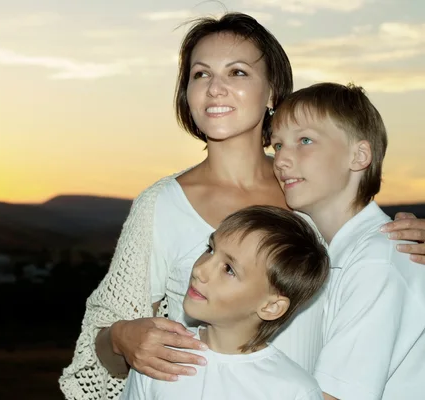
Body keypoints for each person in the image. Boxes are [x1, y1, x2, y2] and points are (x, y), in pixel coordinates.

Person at [59, 12, 425, 400]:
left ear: (271, 91)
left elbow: (377, 263)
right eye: (200, 74)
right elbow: (100, 348)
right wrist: (120, 337)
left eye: (236, 72)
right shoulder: (162, 204)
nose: (215, 88)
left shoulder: (307, 191)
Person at [271, 82, 425, 399]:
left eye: (304, 140)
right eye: (278, 146)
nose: (282, 160)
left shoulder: (377, 258)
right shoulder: (336, 252)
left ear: (359, 156)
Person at [121, 205, 329, 400]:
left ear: (270, 307)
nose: (199, 270)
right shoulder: (159, 357)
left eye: (229, 269)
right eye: (210, 249)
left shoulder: (293, 391)